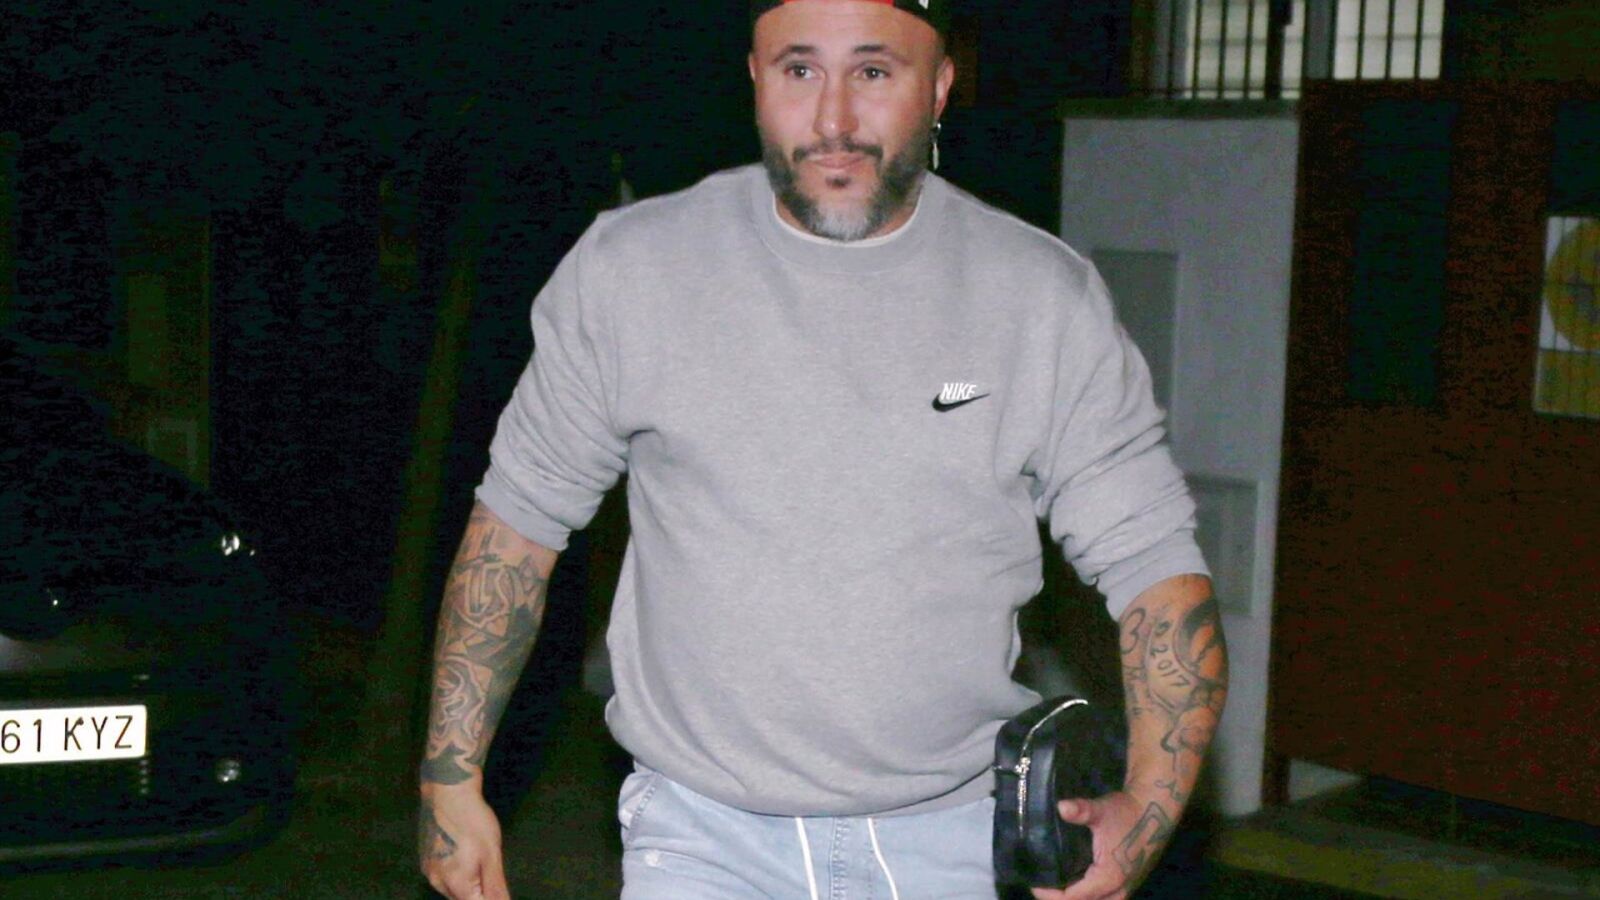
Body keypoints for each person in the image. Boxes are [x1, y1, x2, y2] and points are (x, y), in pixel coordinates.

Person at [417, 1, 1229, 898]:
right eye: (800, 70)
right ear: (755, 79)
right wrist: (451, 780)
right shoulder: (633, 270)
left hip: (952, 843)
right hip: (700, 838)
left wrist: (1147, 811)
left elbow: (1155, 570)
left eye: (874, 72)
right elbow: (517, 530)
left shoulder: (1040, 300)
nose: (834, 120)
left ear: (940, 87)